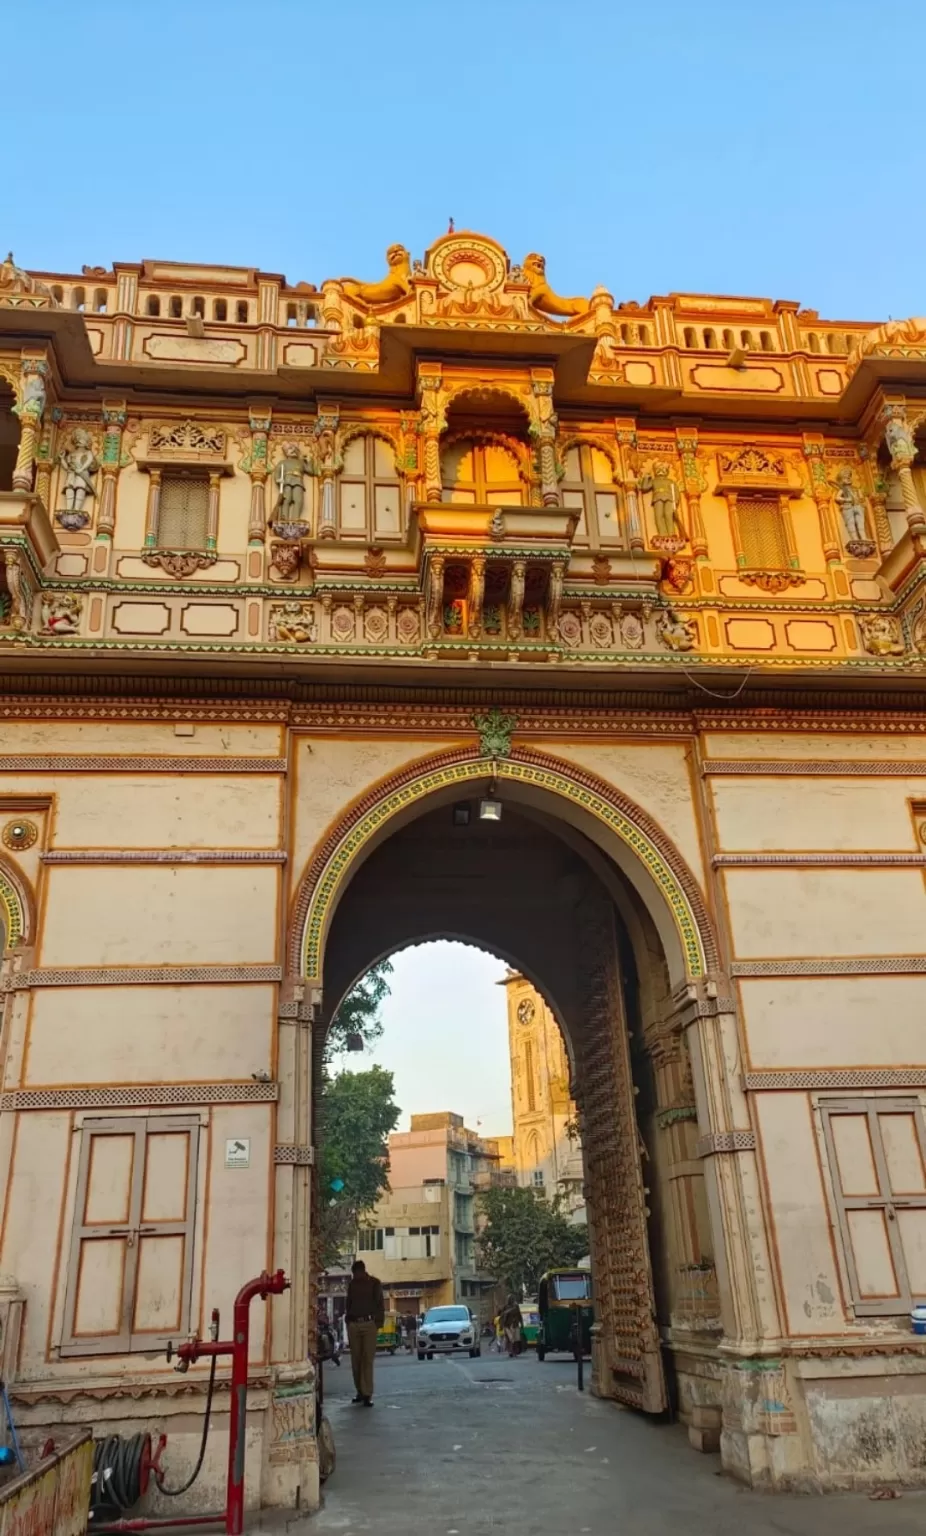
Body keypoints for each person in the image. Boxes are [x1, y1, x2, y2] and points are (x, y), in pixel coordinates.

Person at [345, 1258, 384, 1406]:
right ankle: (360, 1391)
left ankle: (367, 1393)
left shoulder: (374, 1283)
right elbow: (348, 1304)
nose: (356, 1276)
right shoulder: (352, 1285)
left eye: (357, 1273)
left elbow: (380, 1303)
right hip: (354, 1324)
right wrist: (348, 1321)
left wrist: (377, 1323)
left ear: (362, 1271)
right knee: (356, 1360)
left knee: (367, 1359)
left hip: (369, 1323)